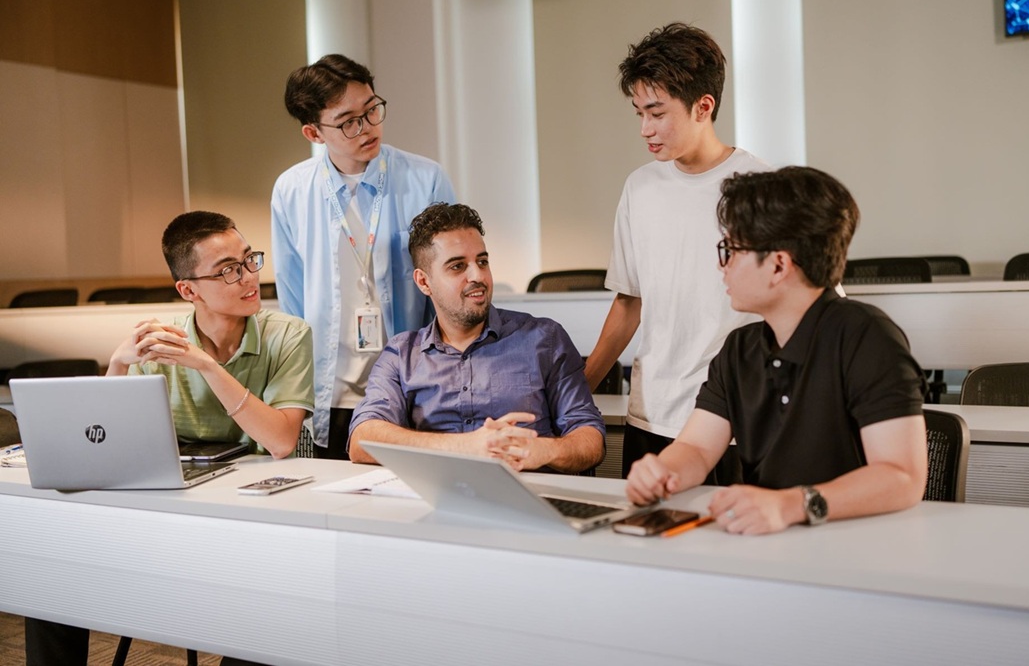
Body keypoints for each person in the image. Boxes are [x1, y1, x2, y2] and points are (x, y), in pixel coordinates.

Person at [26, 210, 311, 666]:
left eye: (249, 260)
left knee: (272, 613)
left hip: (248, 527)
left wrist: (207, 365)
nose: (248, 277)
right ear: (188, 290)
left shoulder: (289, 335)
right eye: (228, 270)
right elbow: (107, 447)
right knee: (49, 585)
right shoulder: (160, 343)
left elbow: (280, 440)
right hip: (169, 517)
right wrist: (118, 365)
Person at [625, 167, 928, 534]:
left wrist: (791, 505)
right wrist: (663, 472)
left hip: (855, 540)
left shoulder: (866, 336)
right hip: (768, 536)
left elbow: (902, 477)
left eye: (731, 251)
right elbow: (698, 449)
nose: (722, 265)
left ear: (779, 265)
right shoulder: (739, 349)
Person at [582, 22, 769, 480]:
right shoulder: (640, 187)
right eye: (638, 113)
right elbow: (629, 302)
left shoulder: (760, 189)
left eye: (657, 112)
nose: (645, 129)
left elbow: (805, 310)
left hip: (733, 422)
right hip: (651, 415)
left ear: (703, 106)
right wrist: (579, 388)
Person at [271, 54, 456, 460]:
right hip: (331, 393)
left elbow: (448, 290)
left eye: (372, 110)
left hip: (414, 388)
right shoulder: (291, 191)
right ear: (313, 132)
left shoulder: (425, 179)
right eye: (348, 121)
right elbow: (293, 300)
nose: (368, 127)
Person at [348, 203, 605, 473]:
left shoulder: (544, 339)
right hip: (440, 493)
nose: (478, 276)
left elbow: (591, 440)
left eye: (482, 262)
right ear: (424, 282)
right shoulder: (402, 354)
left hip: (528, 492)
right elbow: (362, 440)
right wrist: (466, 446)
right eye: (457, 266)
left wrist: (544, 450)